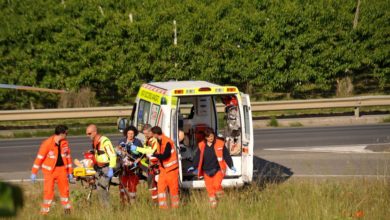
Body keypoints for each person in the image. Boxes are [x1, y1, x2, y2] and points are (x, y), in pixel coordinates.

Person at [188, 127, 236, 208]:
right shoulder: (201, 145)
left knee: (217, 186)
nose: (211, 138)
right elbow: (197, 157)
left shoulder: (220, 143)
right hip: (206, 171)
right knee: (210, 190)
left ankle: (223, 201)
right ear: (205, 137)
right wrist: (193, 166)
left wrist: (231, 165)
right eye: (209, 137)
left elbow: (226, 155)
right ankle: (214, 206)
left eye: (212, 136)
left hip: (218, 169)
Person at [31, 125, 73, 215]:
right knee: (48, 192)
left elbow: (68, 157)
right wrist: (34, 172)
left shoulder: (65, 143)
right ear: (62, 134)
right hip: (50, 172)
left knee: (65, 192)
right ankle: (44, 213)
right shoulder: (47, 143)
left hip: (62, 171)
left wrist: (70, 172)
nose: (67, 135)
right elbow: (39, 158)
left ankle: (67, 212)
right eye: (66, 133)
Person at [86, 124, 116, 207]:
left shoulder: (105, 141)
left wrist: (111, 168)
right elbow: (99, 152)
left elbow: (112, 155)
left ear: (95, 132)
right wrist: (92, 152)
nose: (87, 135)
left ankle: (107, 209)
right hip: (99, 168)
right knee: (98, 187)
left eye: (89, 133)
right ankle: (104, 207)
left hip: (106, 168)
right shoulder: (95, 141)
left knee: (101, 187)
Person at [149, 126, 179, 209]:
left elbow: (166, 155)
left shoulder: (167, 141)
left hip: (172, 170)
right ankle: (163, 208)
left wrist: (155, 156)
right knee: (161, 189)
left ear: (155, 134)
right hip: (163, 170)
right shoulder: (159, 141)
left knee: (173, 191)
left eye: (152, 134)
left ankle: (175, 208)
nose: (151, 136)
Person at [116, 125, 143, 205]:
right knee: (122, 185)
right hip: (123, 168)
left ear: (134, 134)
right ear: (126, 134)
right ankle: (123, 202)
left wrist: (138, 159)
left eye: (132, 133)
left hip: (133, 167)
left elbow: (142, 154)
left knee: (132, 185)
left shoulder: (138, 142)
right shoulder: (122, 141)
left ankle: (132, 203)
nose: (130, 135)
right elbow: (117, 150)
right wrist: (119, 149)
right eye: (129, 133)